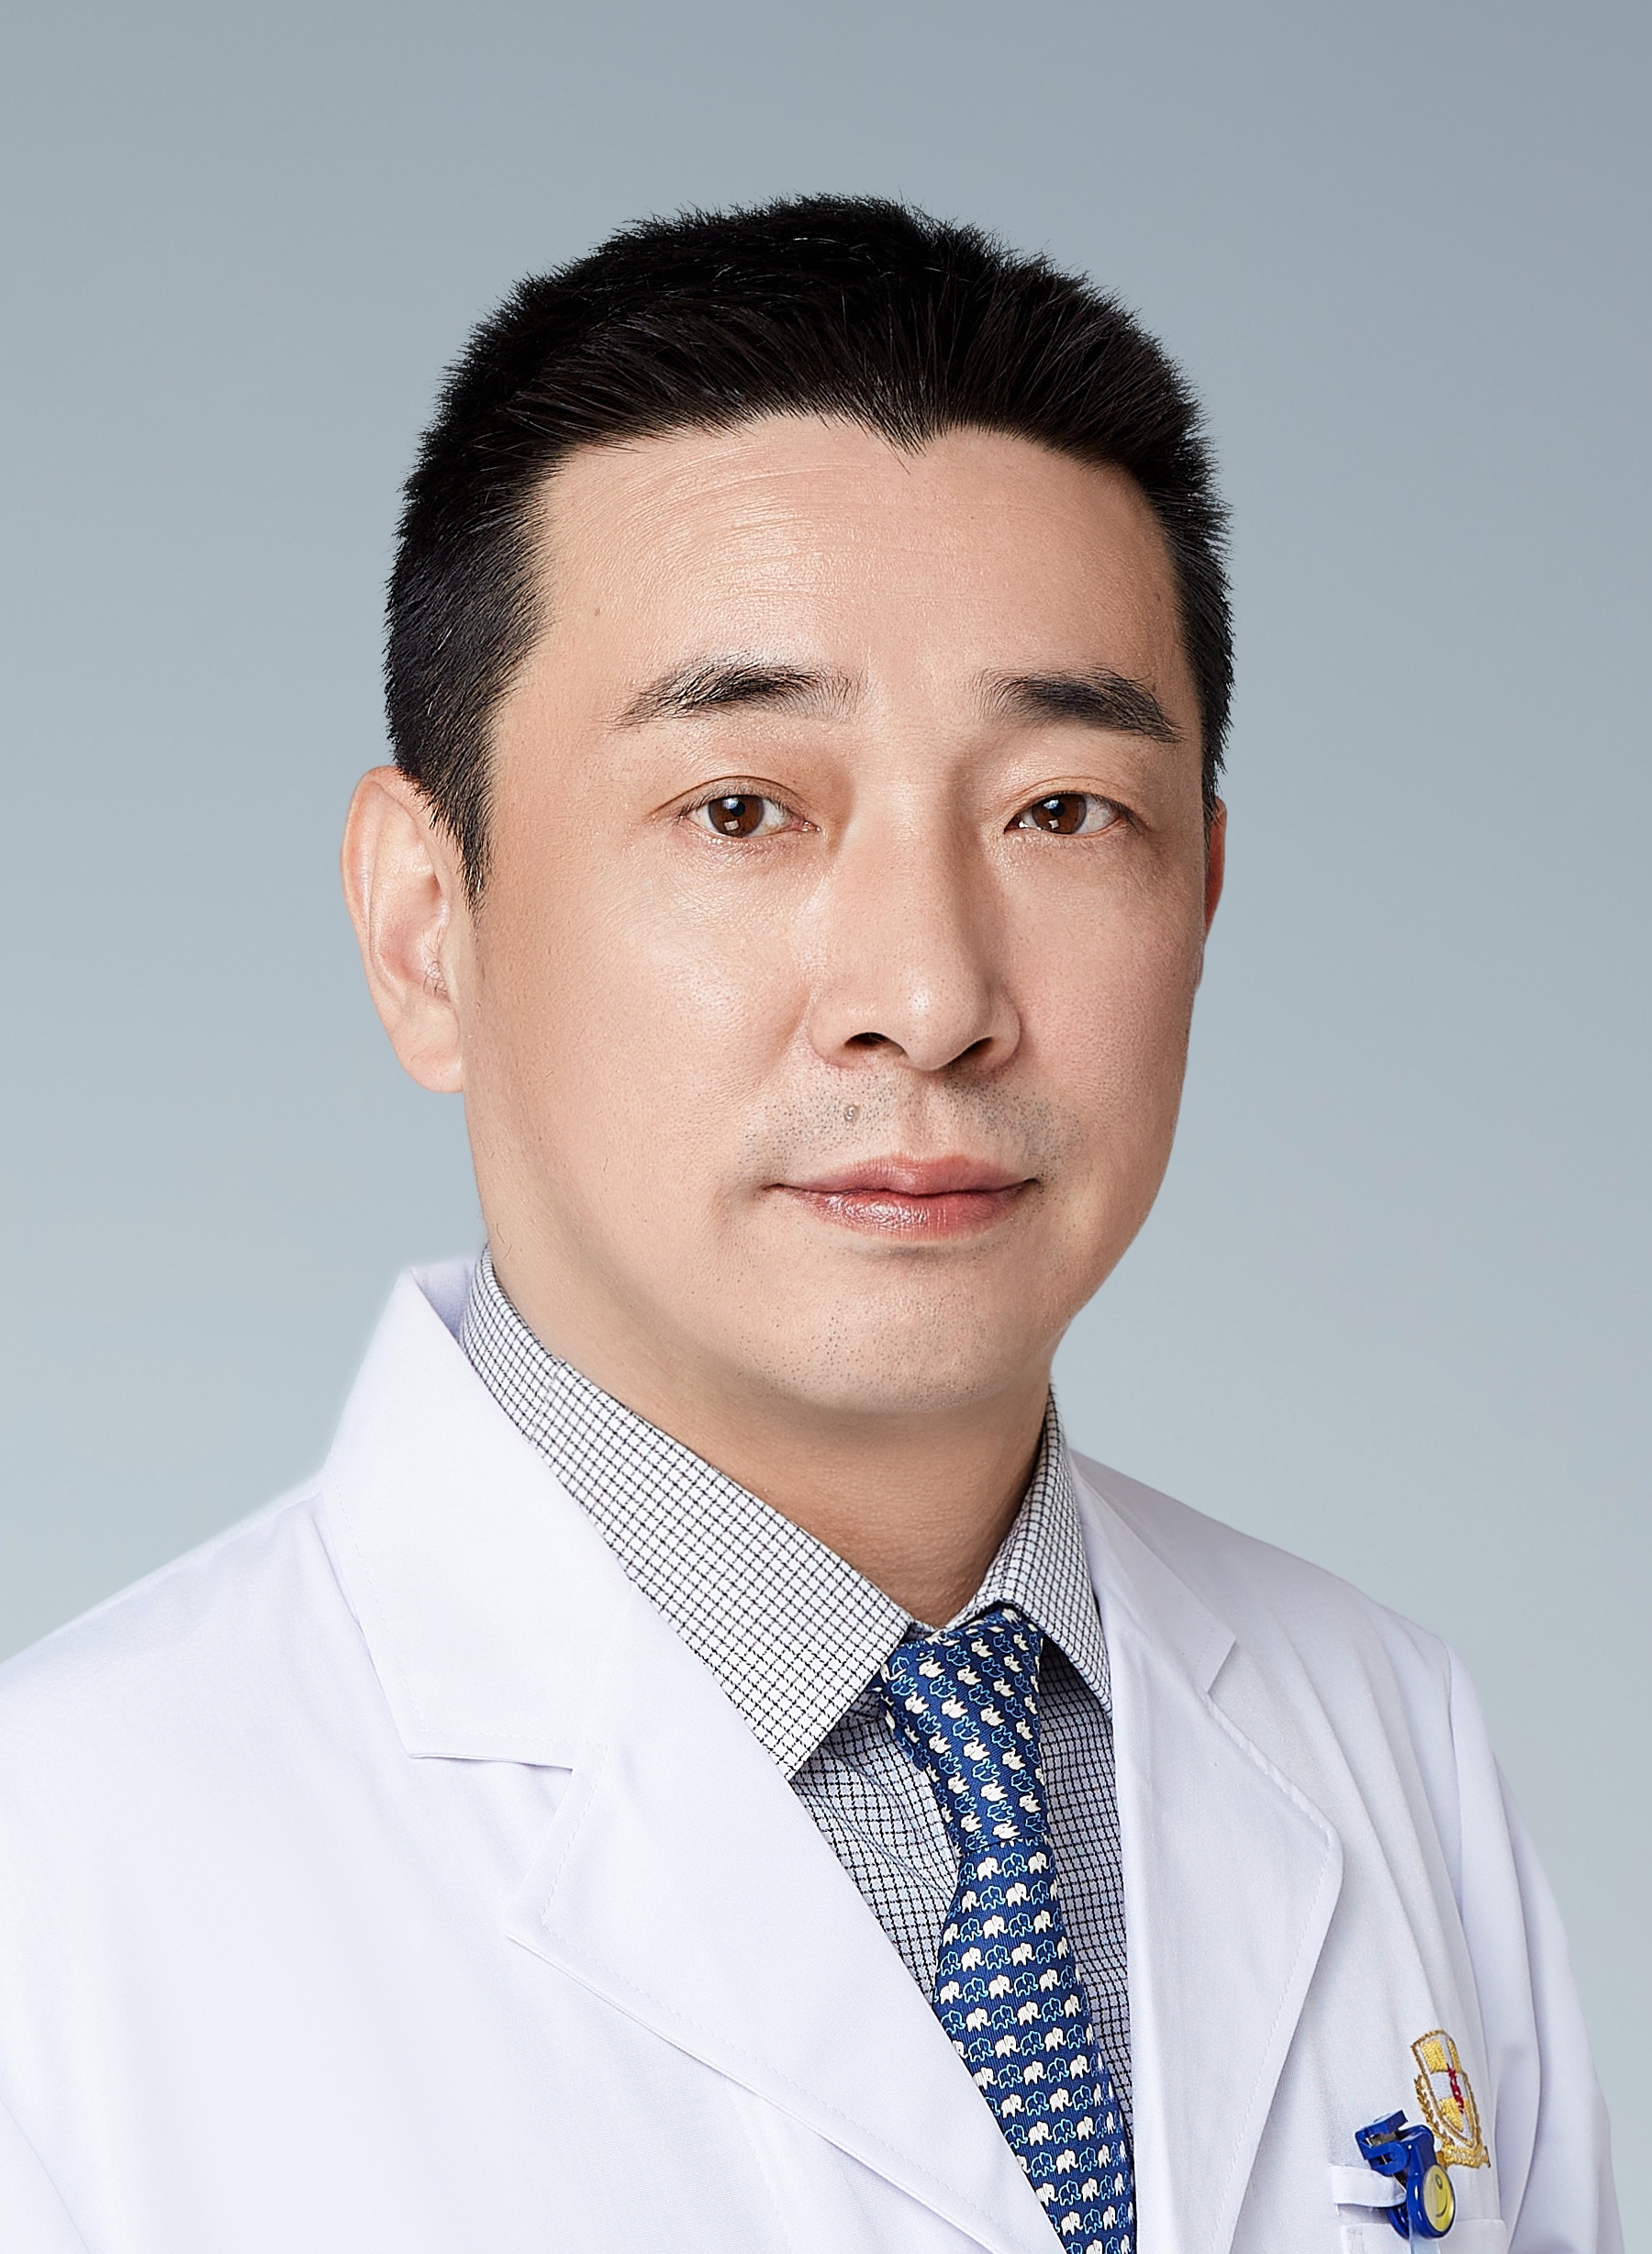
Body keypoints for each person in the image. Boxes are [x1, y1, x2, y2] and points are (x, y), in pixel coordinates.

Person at [0, 196, 1618, 2254]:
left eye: (1061, 811)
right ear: (426, 927)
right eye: (745, 809)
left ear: (1204, 895)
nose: (929, 996)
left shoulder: (1382, 1731)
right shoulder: (61, 1888)